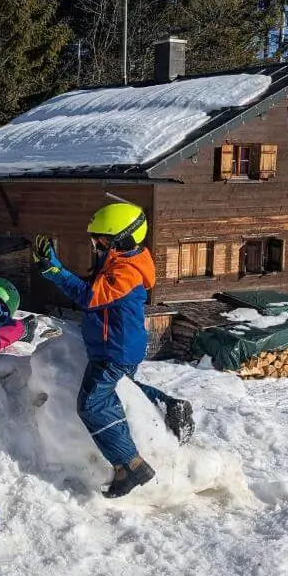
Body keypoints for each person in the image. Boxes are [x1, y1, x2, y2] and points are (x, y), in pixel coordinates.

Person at [32, 203, 195, 499]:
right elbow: (92, 292)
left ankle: (130, 465)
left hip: (114, 351)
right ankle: (168, 403)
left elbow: (90, 296)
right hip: (113, 346)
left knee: (92, 404)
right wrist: (52, 268)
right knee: (122, 389)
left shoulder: (127, 272)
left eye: (103, 241)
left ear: (123, 241)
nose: (97, 245)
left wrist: (55, 270)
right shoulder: (119, 264)